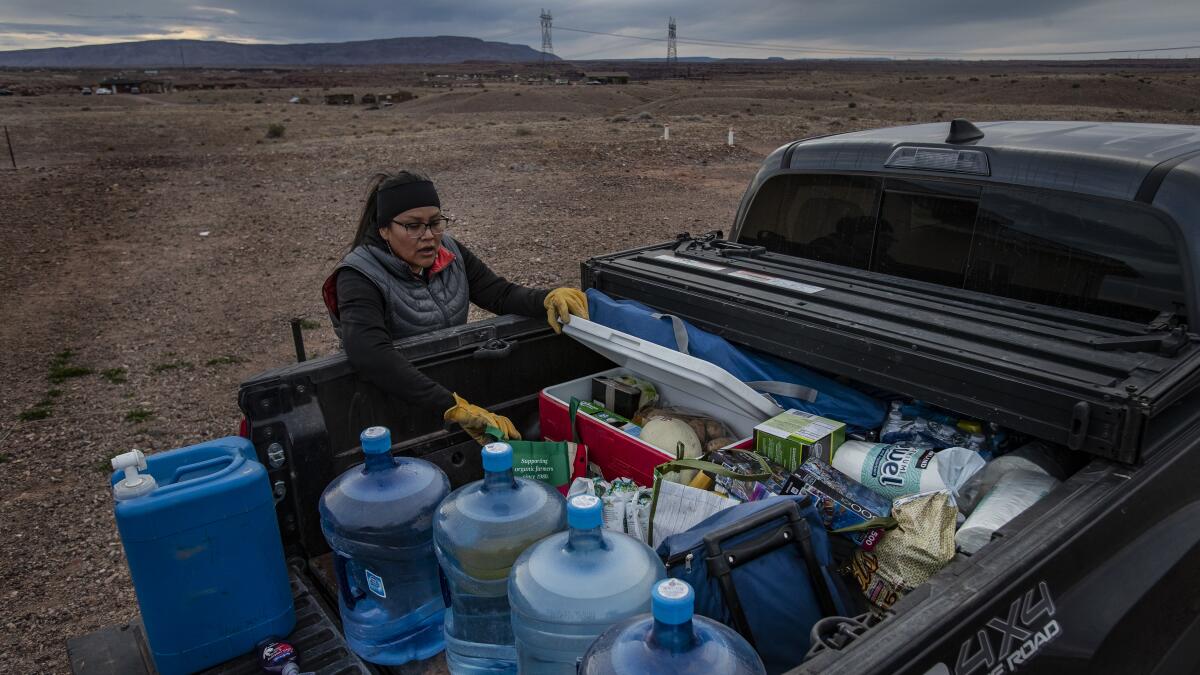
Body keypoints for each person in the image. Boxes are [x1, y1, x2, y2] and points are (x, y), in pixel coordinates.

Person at [323, 171, 588, 443]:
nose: (428, 236)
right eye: (413, 226)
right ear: (384, 230)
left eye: (435, 223)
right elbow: (369, 352)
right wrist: (451, 406)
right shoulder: (358, 276)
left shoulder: (450, 252)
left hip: (447, 388)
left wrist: (546, 298)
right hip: (393, 405)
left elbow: (498, 293)